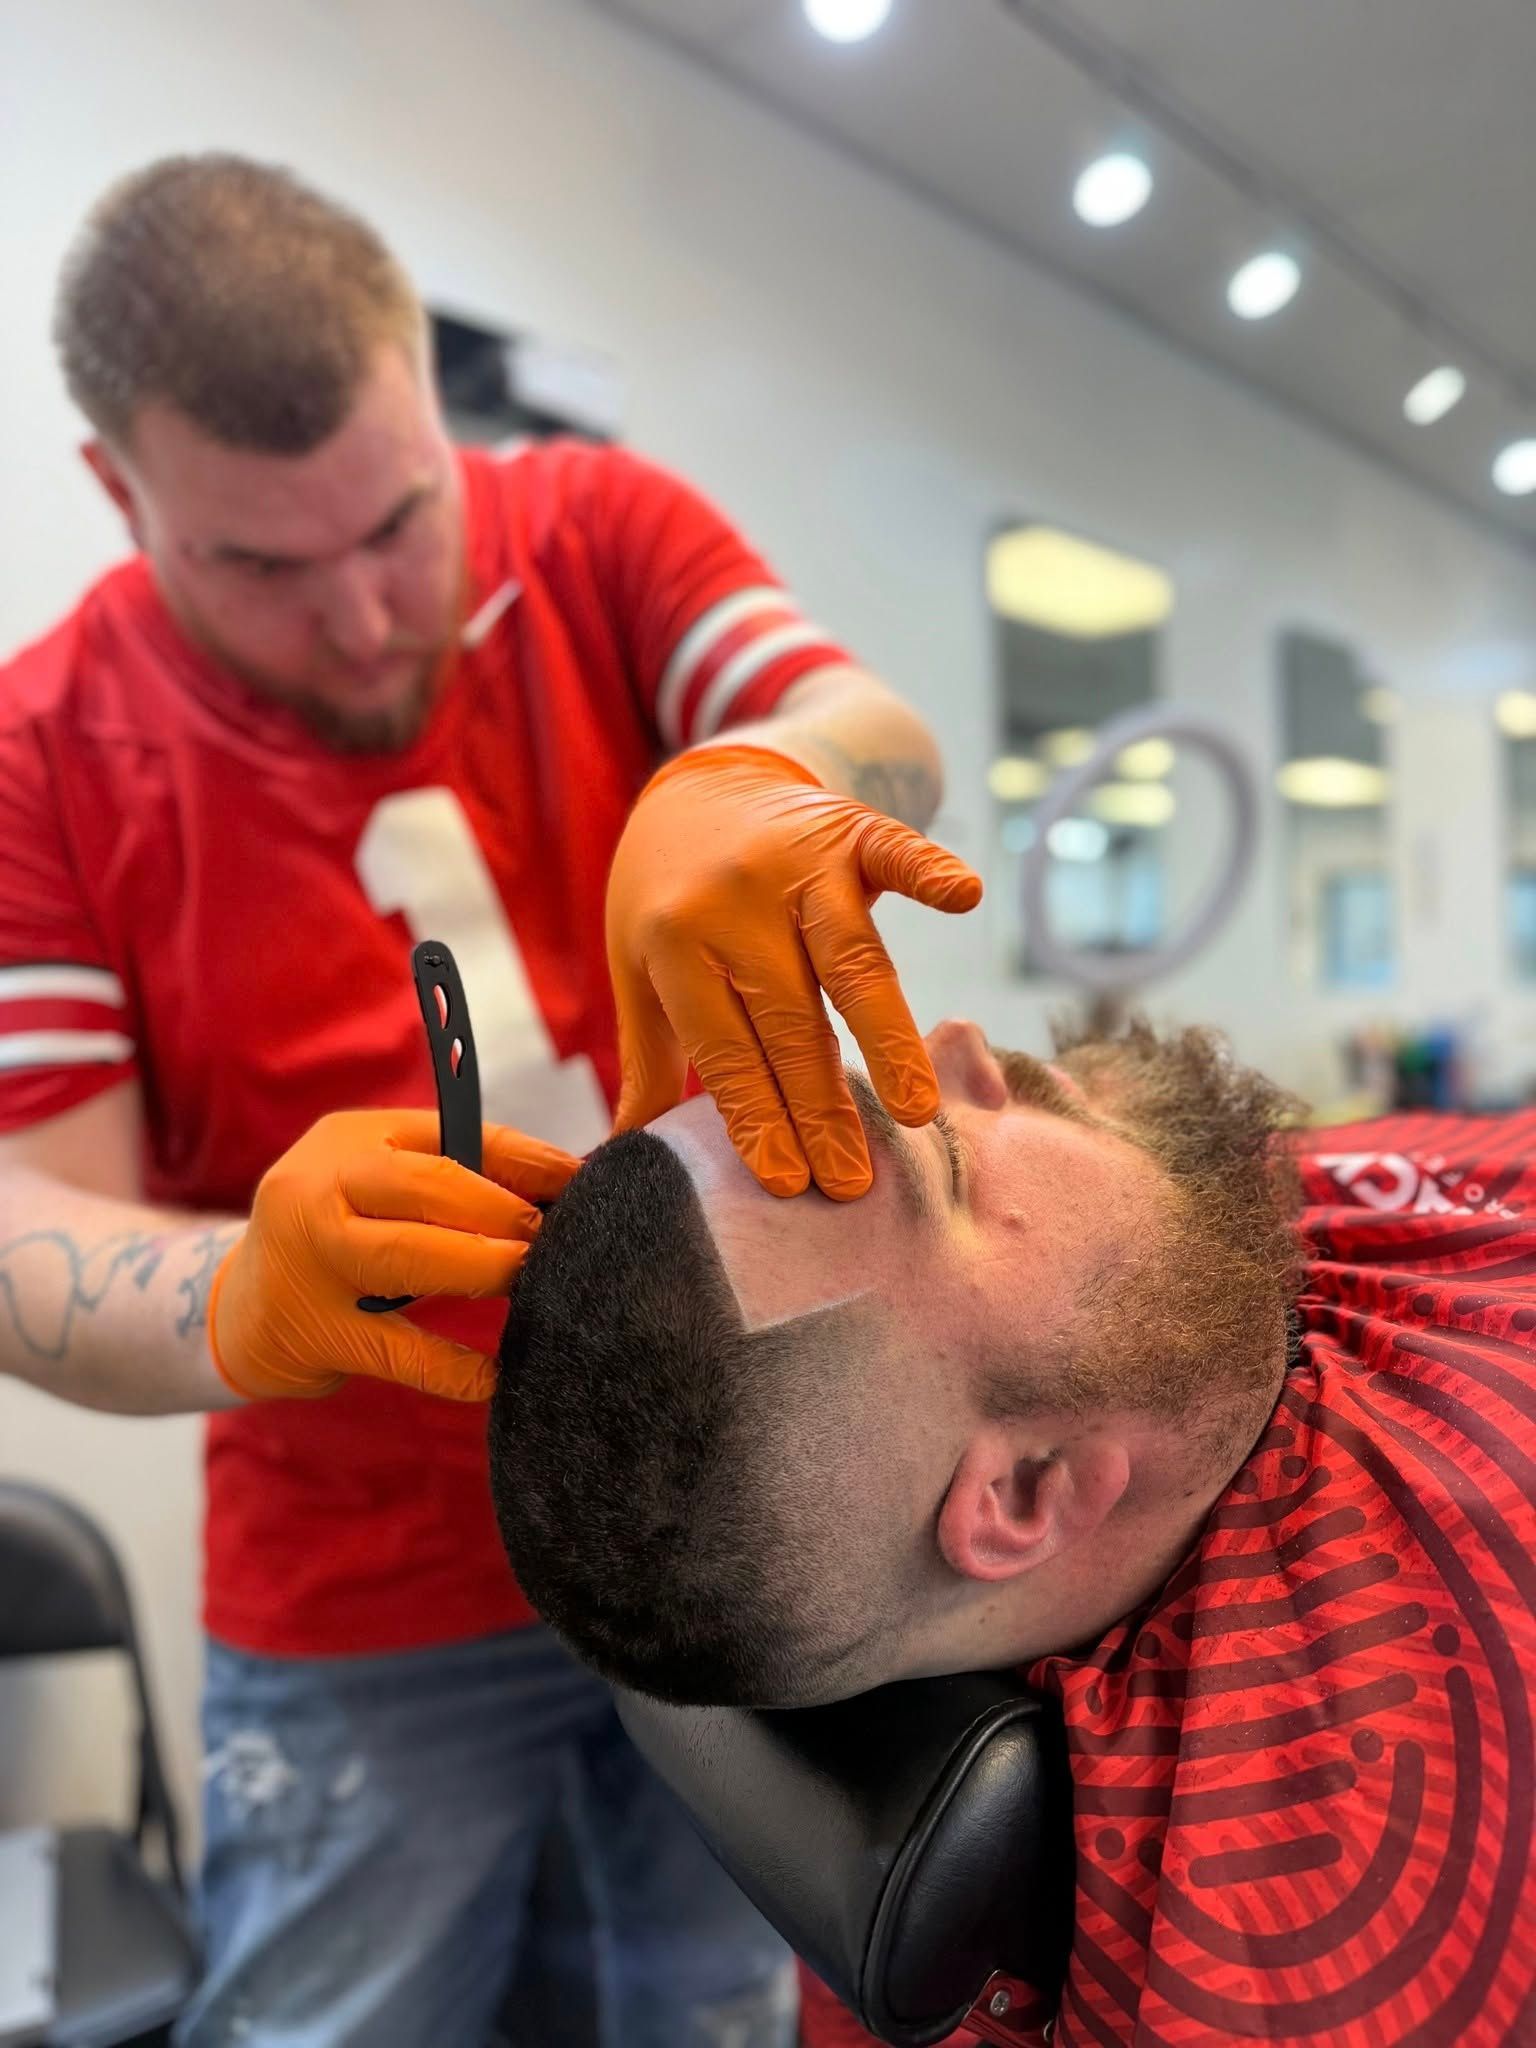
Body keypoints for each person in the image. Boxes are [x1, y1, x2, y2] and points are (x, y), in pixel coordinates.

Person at [0, 152, 982, 2048]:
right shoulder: (45, 762)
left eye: (398, 521)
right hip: (360, 1592)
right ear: (121, 497)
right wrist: (232, 1294)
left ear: (435, 412)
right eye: (262, 567)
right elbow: (32, 1210)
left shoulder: (597, 533)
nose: (366, 619)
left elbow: (880, 732)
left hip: (717, 1499)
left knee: (709, 2008)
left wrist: (758, 776)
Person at [491, 1017, 1536, 2047]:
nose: (959, 1048)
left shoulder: (1180, 1271)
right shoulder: (1316, 1933)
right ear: (1028, 1494)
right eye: (948, 1162)